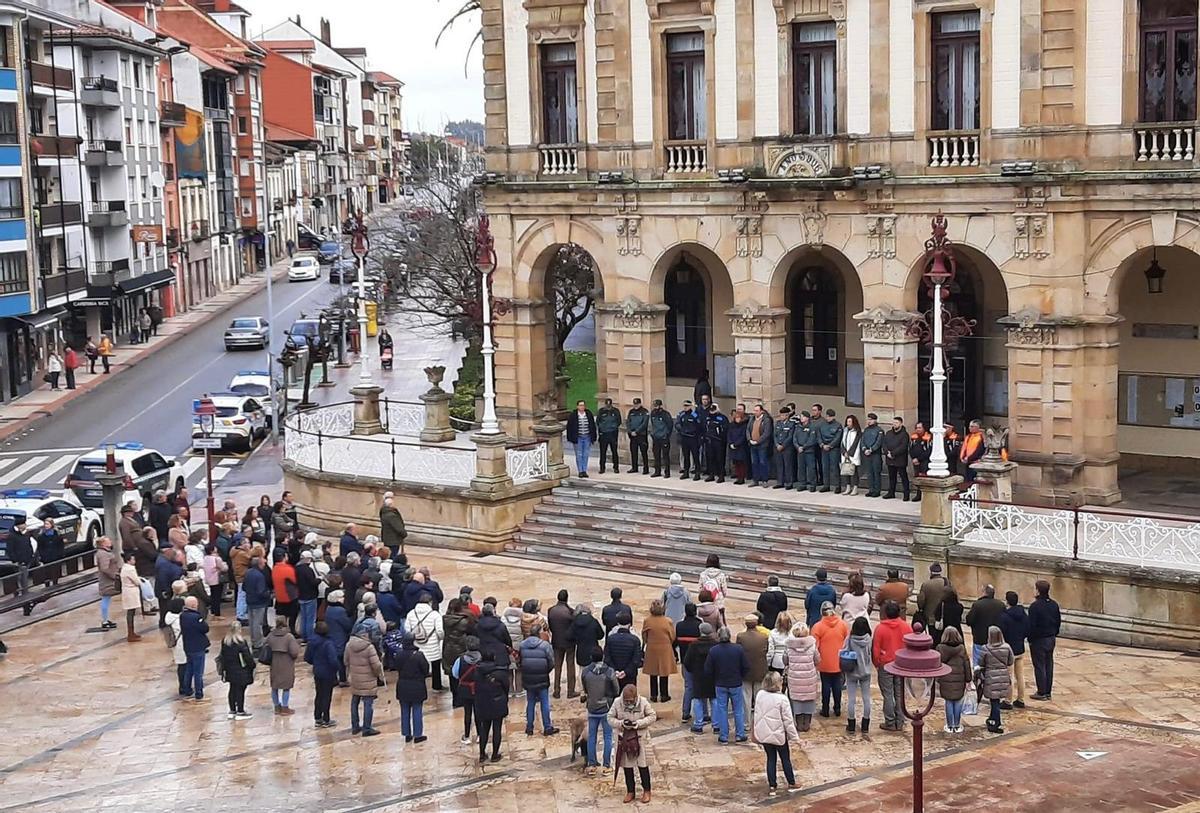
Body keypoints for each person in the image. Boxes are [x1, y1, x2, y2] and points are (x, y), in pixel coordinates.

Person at [753, 672, 800, 795]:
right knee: (785, 759)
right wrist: (795, 738)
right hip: (779, 735)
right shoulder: (782, 699)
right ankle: (791, 782)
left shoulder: (760, 695)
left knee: (770, 759)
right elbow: (788, 721)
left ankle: (772, 786)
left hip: (764, 733)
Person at [609, 683, 657, 804]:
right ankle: (630, 791)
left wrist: (639, 723)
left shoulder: (643, 702)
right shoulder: (617, 702)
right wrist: (621, 724)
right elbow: (609, 718)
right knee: (627, 767)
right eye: (626, 701)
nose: (628, 703)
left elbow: (652, 716)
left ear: (636, 698)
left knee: (643, 766)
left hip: (640, 738)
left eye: (630, 701)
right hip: (624, 739)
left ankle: (647, 790)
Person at [872, 600, 913, 731]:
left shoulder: (880, 628)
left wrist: (877, 663)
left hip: (886, 663)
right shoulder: (906, 627)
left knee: (888, 694)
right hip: (901, 664)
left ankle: (890, 721)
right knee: (899, 694)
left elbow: (876, 649)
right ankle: (900, 720)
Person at [705, 626, 749, 744]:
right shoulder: (738, 649)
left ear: (719, 637)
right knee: (738, 709)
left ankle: (723, 736)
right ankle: (740, 734)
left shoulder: (714, 650)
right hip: (735, 683)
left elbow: (708, 670)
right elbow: (745, 666)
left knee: (722, 709)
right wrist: (740, 676)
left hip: (720, 684)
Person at [580, 649, 619, 771]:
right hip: (606, 707)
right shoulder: (609, 672)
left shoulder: (586, 672)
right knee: (608, 736)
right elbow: (616, 690)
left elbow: (585, 689)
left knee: (592, 736)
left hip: (592, 707)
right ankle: (606, 765)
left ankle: (591, 764)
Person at [519, 622, 558, 735]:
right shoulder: (545, 645)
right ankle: (547, 727)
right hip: (542, 676)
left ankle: (529, 727)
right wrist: (546, 671)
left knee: (530, 702)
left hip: (528, 677)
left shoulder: (522, 645)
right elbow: (551, 661)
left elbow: (520, 660)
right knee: (544, 702)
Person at [345, 626, 385, 736]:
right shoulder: (369, 647)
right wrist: (378, 675)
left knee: (354, 702)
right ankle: (367, 728)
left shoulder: (349, 645)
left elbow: (345, 661)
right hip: (368, 679)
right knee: (368, 703)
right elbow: (376, 665)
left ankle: (355, 726)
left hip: (354, 678)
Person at [812, 601, 848, 718]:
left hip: (824, 661)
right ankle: (837, 708)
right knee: (837, 684)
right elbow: (847, 641)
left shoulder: (818, 627)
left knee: (826, 685)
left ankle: (825, 708)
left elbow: (814, 646)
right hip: (838, 660)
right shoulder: (842, 624)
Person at [394, 632, 431, 743]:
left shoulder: (398, 654)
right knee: (417, 709)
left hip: (402, 685)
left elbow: (397, 667)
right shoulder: (418, 655)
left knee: (404, 710)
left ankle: (407, 734)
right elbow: (425, 669)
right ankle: (418, 734)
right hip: (417, 685)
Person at [473, 652, 510, 762]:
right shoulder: (499, 673)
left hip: (482, 702)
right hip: (497, 702)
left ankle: (482, 754)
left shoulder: (476, 672)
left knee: (484, 729)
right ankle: (495, 754)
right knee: (497, 729)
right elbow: (506, 687)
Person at [1028, 579, 1061, 701]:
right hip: (1051, 638)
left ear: (1037, 591)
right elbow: (1058, 621)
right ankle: (1048, 691)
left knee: (1040, 665)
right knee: (1049, 664)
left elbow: (1032, 625)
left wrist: (1030, 638)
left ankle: (1041, 691)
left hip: (1039, 640)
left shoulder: (1035, 606)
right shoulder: (1054, 604)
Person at [936, 626, 973, 734]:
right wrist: (968, 679)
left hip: (945, 678)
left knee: (948, 701)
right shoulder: (961, 648)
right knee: (958, 701)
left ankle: (949, 725)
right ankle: (957, 724)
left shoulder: (940, 648)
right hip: (959, 679)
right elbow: (966, 664)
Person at [406, 593, 446, 691]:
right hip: (432, 645)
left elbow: (407, 629)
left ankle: (420, 687)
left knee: (418, 667)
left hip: (417, 645)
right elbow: (440, 631)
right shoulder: (435, 615)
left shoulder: (411, 613)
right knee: (435, 666)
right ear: (430, 602)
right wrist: (440, 639)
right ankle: (436, 686)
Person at [783, 622, 819, 731]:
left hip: (795, 678)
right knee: (809, 700)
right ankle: (807, 723)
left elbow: (785, 661)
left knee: (797, 701)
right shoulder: (812, 645)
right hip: (809, 678)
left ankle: (799, 723)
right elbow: (817, 659)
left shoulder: (789, 647)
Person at [304, 620, 340, 727]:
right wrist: (336, 669)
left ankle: (318, 717)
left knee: (319, 694)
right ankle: (326, 719)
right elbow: (333, 660)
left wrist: (315, 663)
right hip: (328, 672)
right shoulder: (328, 643)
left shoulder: (311, 642)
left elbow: (307, 657)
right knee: (326, 696)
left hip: (317, 671)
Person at [998, 590, 1030, 709]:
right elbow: (1027, 629)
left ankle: (1008, 700)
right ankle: (1021, 699)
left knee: (1009, 676)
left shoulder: (1005, 616)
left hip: (1009, 649)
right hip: (1020, 647)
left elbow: (1001, 633)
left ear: (1007, 601)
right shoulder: (1023, 614)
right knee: (1020, 675)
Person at [683, 621, 716, 731]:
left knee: (697, 699)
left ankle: (698, 724)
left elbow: (687, 662)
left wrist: (693, 671)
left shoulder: (694, 645)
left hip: (698, 675)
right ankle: (716, 725)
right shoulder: (715, 644)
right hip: (712, 676)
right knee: (714, 699)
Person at [217, 622, 254, 719]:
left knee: (232, 689)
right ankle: (240, 711)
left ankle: (232, 710)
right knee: (240, 690)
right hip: (241, 670)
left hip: (229, 670)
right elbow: (247, 658)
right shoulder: (241, 643)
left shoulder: (225, 642)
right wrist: (252, 666)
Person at [642, 599, 676, 703]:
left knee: (653, 672)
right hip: (665, 648)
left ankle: (653, 695)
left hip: (652, 647)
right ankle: (664, 695)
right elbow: (672, 636)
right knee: (664, 672)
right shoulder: (668, 621)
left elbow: (644, 636)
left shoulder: (647, 621)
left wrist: (649, 642)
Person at [980, 625, 1014, 733]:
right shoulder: (1007, 647)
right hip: (1003, 675)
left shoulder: (985, 648)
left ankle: (996, 723)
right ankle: (992, 719)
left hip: (991, 676)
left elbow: (981, 663)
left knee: (994, 702)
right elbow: (1010, 661)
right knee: (996, 700)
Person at [842, 616, 873, 734]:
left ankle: (851, 724)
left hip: (852, 672)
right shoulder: (869, 639)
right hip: (865, 672)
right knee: (866, 698)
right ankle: (865, 724)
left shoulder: (850, 638)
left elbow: (844, 650)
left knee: (851, 699)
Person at [450, 634, 483, 744]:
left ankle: (467, 735)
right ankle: (480, 734)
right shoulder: (482, 658)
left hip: (465, 688)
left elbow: (455, 674)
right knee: (478, 712)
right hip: (478, 688)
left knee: (467, 712)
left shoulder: (460, 660)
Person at [965, 584, 1006, 666]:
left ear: (984, 593)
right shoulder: (1001, 605)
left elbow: (969, 620)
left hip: (980, 639)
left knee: (978, 664)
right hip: (995, 639)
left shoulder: (977, 604)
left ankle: (978, 678)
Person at [267, 617, 301, 715]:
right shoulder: (289, 637)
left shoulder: (271, 635)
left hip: (274, 663)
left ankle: (277, 706)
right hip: (286, 663)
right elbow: (294, 652)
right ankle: (285, 707)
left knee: (274, 686)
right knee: (286, 686)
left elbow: (266, 646)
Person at [736, 612, 769, 712]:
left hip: (746, 671)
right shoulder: (763, 637)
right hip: (760, 670)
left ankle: (746, 723)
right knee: (759, 696)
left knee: (746, 696)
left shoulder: (740, 636)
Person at [180, 595, 209, 701]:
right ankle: (199, 692)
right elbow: (205, 628)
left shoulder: (183, 616)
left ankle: (187, 689)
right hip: (198, 647)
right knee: (198, 672)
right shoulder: (196, 617)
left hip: (188, 646)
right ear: (193, 605)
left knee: (189, 669)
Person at [604, 612, 644, 690]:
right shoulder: (635, 640)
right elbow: (636, 660)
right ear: (629, 624)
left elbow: (607, 658)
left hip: (614, 675)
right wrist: (626, 672)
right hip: (630, 675)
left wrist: (615, 671)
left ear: (618, 623)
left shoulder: (610, 639)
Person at [324, 590, 353, 686]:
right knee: (341, 660)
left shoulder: (328, 609)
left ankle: (334, 678)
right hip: (340, 637)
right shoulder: (340, 611)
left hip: (331, 636)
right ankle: (343, 679)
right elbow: (347, 625)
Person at [243, 557, 271, 651]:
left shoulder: (248, 573)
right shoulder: (259, 576)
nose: (264, 565)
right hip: (259, 602)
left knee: (252, 622)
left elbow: (244, 587)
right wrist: (269, 594)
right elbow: (261, 591)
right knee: (257, 623)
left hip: (249, 600)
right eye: (263, 563)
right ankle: (258, 643)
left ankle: (253, 640)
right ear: (259, 564)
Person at [569, 603, 605, 671]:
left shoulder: (575, 622)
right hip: (593, 652)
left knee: (582, 672)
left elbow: (570, 636)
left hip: (581, 652)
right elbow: (601, 635)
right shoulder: (593, 621)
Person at [566, 399, 598, 478]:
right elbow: (569, 427)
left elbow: (592, 426)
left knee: (586, 454)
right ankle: (580, 470)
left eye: (583, 405)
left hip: (587, 437)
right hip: (578, 437)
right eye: (580, 405)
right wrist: (571, 438)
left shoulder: (588, 414)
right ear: (577, 406)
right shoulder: (573, 415)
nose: (582, 407)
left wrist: (593, 437)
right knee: (579, 454)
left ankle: (584, 470)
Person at [883, 416, 912, 500]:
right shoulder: (888, 433)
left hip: (900, 459)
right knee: (892, 477)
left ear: (901, 423)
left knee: (903, 477)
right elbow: (884, 443)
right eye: (893, 423)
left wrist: (893, 453)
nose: (894, 424)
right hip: (889, 458)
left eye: (896, 423)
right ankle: (891, 492)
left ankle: (906, 494)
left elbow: (903, 447)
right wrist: (886, 452)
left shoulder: (904, 434)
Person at [96, 536, 121, 631]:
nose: (110, 541)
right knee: (105, 598)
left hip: (108, 579)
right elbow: (105, 568)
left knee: (106, 598)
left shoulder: (105, 553)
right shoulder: (103, 554)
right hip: (107, 580)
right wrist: (114, 575)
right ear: (103, 544)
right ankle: (105, 620)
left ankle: (105, 619)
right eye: (108, 540)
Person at [746, 403, 773, 487]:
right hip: (752, 444)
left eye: (757, 411)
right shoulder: (752, 419)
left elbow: (767, 433)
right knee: (754, 462)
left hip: (762, 445)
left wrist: (758, 441)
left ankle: (764, 480)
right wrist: (749, 439)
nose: (755, 412)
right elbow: (747, 430)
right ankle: (755, 480)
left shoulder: (766, 420)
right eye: (754, 410)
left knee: (762, 462)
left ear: (761, 411)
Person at [915, 562, 948, 632]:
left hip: (930, 617)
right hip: (944, 617)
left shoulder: (926, 585)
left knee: (932, 636)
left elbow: (921, 601)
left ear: (931, 572)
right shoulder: (947, 583)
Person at [816, 408, 843, 493]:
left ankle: (837, 486)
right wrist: (822, 444)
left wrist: (830, 445)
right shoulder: (822, 425)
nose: (828, 418)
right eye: (827, 416)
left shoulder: (838, 425)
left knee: (834, 468)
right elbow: (819, 436)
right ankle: (826, 485)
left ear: (833, 417)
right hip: (824, 448)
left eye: (830, 417)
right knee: (825, 467)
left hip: (833, 449)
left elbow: (837, 438)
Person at [296, 550, 321, 641]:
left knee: (303, 617)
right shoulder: (308, 570)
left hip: (301, 595)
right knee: (310, 618)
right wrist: (319, 580)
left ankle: (304, 636)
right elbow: (312, 582)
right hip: (310, 596)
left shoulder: (297, 568)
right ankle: (309, 637)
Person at [858, 413, 884, 497]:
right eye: (868, 419)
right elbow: (862, 440)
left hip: (875, 454)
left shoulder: (879, 430)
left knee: (876, 472)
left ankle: (877, 490)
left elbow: (878, 442)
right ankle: (871, 489)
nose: (869, 421)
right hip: (867, 454)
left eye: (871, 419)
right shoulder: (866, 430)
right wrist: (864, 449)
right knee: (869, 473)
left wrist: (871, 449)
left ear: (875, 420)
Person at [698, 554, 729, 623]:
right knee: (720, 622)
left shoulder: (703, 574)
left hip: (705, 602)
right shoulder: (721, 575)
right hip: (718, 602)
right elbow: (724, 591)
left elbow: (700, 589)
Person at [675, 400, 702, 480]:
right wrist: (682, 430)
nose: (685, 407)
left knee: (695, 456)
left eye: (687, 406)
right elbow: (677, 424)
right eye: (684, 406)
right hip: (684, 438)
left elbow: (699, 425)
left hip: (693, 438)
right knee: (686, 456)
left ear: (690, 406)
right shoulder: (681, 415)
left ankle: (697, 472)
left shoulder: (694, 415)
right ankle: (686, 472)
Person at [119, 551, 142, 642]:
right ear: (129, 561)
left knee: (131, 612)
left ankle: (131, 632)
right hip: (131, 592)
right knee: (131, 612)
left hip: (127, 591)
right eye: (133, 559)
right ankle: (130, 633)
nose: (135, 561)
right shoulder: (130, 569)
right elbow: (137, 581)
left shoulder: (124, 568)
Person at [703, 402, 729, 483]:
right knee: (710, 458)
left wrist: (722, 439)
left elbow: (725, 430)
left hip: (719, 442)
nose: (712, 411)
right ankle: (711, 474)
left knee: (720, 459)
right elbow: (704, 428)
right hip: (709, 441)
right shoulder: (707, 417)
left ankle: (721, 475)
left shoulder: (722, 418)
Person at [793, 410, 818, 492]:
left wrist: (803, 447)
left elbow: (812, 440)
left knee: (811, 468)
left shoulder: (812, 427)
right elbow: (794, 438)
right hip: (800, 451)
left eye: (803, 416)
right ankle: (802, 484)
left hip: (809, 451)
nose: (801, 418)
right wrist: (797, 446)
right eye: (801, 416)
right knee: (801, 468)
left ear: (807, 418)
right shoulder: (798, 427)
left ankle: (812, 484)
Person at [648, 399, 673, 478]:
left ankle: (667, 472)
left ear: (660, 406)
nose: (655, 407)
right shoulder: (653, 413)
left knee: (665, 456)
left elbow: (670, 425)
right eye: (654, 406)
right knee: (656, 455)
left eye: (657, 406)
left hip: (664, 438)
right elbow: (652, 424)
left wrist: (666, 435)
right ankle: (657, 471)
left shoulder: (665, 414)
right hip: (656, 437)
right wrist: (653, 434)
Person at [596, 398, 623, 474]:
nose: (608, 406)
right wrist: (602, 429)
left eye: (609, 405)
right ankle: (602, 468)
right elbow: (598, 422)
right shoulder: (601, 411)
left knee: (614, 451)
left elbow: (619, 421)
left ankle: (616, 467)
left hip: (613, 434)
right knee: (603, 452)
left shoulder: (616, 411)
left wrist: (613, 427)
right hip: (604, 434)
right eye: (607, 405)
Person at [625, 397, 650, 475]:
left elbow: (644, 424)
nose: (635, 406)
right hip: (632, 435)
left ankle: (646, 468)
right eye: (634, 404)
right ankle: (634, 467)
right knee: (633, 452)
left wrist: (637, 431)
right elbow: (628, 422)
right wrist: (630, 431)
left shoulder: (645, 412)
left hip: (641, 435)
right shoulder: (631, 412)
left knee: (643, 452)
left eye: (637, 404)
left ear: (640, 404)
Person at [201, 543, 227, 618]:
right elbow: (223, 568)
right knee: (217, 597)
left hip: (209, 579)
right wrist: (225, 564)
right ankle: (217, 614)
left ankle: (213, 612)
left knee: (213, 596)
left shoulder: (205, 558)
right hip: (217, 579)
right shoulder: (217, 558)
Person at [839, 414, 863, 495]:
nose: (848, 423)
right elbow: (842, 442)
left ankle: (855, 487)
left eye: (850, 421)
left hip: (853, 454)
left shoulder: (857, 431)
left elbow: (855, 443)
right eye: (847, 421)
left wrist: (849, 453)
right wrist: (844, 452)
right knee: (846, 471)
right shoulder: (845, 430)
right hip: (845, 454)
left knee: (854, 471)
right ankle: (848, 487)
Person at [727, 403, 750, 484]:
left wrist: (736, 444)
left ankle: (742, 477)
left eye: (738, 418)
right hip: (732, 446)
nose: (737, 419)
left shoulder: (744, 425)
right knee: (736, 462)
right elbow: (729, 434)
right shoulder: (732, 425)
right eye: (736, 418)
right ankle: (738, 476)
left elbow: (743, 436)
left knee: (741, 462)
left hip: (740, 446)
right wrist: (731, 443)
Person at [909, 421, 932, 500]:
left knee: (924, 478)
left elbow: (929, 451)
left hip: (925, 461)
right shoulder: (914, 437)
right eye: (916, 428)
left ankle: (925, 495)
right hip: (915, 461)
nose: (918, 429)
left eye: (919, 428)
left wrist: (918, 459)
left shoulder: (929, 437)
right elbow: (910, 449)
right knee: (917, 478)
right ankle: (918, 495)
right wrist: (913, 458)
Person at [766, 612, 792, 676]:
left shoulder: (772, 633)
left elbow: (771, 651)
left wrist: (768, 663)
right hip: (789, 663)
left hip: (776, 662)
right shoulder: (792, 633)